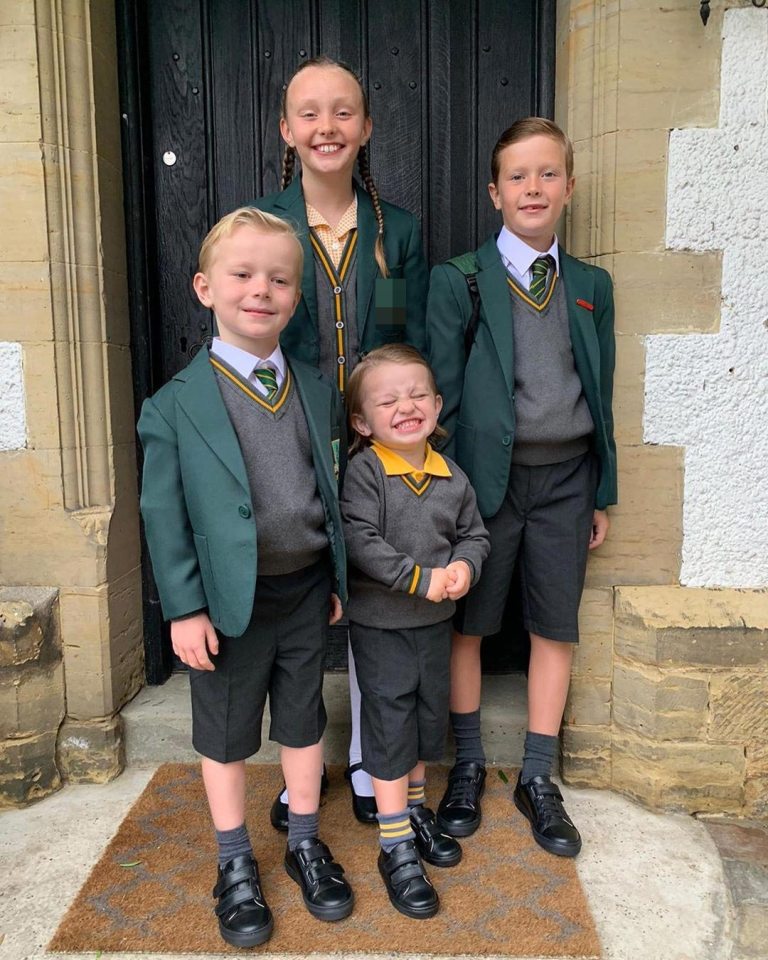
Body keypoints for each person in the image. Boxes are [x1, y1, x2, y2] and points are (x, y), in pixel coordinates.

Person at [137, 207, 353, 948]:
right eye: (243, 274)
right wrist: (183, 607)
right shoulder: (174, 405)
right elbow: (163, 515)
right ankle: (234, 861)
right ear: (205, 287)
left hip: (302, 590)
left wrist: (332, 575)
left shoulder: (318, 390)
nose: (261, 290)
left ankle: (301, 841)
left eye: (280, 279)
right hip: (228, 602)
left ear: (296, 297)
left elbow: (325, 487)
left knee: (303, 720)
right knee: (226, 736)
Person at [426, 118, 617, 858]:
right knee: (470, 622)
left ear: (569, 186)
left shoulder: (593, 285)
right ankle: (469, 763)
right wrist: (442, 496)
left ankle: (539, 775)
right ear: (494, 192)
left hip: (567, 481)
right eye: (518, 176)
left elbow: (601, 392)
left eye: (547, 174)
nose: (533, 188)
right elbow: (438, 397)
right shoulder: (463, 279)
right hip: (483, 485)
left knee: (554, 624)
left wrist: (602, 488)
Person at [251, 55, 429, 829]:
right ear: (287, 130)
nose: (328, 127)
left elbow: (411, 340)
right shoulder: (261, 225)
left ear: (366, 126)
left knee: (375, 599)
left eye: (344, 111)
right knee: (297, 602)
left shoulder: (400, 231)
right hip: (289, 443)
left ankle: (370, 757)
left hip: (379, 446)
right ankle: (299, 763)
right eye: (310, 113)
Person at [340, 344, 490, 918]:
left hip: (435, 623)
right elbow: (360, 540)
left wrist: (463, 567)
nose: (406, 406)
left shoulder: (452, 475)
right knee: (390, 719)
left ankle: (417, 811)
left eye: (418, 395)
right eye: (387, 400)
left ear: (438, 405)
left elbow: (475, 535)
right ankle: (394, 841)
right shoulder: (367, 471)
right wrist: (416, 577)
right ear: (362, 421)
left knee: (430, 718)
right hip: (383, 625)